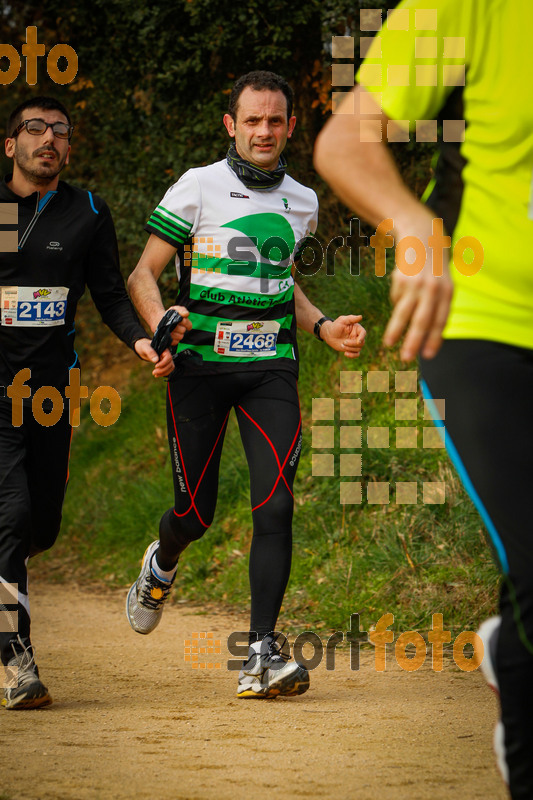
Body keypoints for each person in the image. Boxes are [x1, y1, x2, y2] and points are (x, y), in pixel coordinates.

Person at [314, 0, 533, 796]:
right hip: (479, 321)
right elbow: (346, 139)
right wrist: (412, 225)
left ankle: (509, 646)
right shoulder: (475, 8)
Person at [126, 70, 366, 698]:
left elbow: (282, 284)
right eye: (252, 120)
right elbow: (143, 275)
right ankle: (163, 559)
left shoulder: (303, 202)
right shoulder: (198, 186)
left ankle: (260, 651)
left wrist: (323, 329)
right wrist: (159, 324)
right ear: (231, 125)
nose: (264, 131)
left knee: (277, 503)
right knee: (195, 514)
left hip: (270, 367)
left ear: (291, 125)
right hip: (199, 370)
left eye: (276, 120)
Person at [0, 96, 177, 710]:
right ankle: (14, 657)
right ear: (10, 146)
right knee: (13, 516)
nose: (48, 139)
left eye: (60, 131)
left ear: (69, 148)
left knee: (40, 526)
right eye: (34, 129)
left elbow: (108, 292)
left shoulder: (87, 212)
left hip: (51, 396)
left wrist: (141, 339)